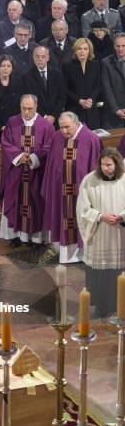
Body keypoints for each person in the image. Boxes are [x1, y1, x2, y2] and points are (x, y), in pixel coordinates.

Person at [41, 111, 102, 263]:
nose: (64, 131)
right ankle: (64, 254)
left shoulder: (91, 139)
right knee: (62, 219)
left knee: (80, 219)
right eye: (61, 127)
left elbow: (95, 170)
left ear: (76, 123)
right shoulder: (57, 137)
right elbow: (51, 165)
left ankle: (82, 254)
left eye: (67, 127)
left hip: (80, 193)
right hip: (60, 192)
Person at [0, 94, 55, 247]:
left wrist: (32, 158)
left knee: (35, 204)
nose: (26, 112)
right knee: (16, 202)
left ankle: (36, 238)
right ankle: (15, 236)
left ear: (36, 107)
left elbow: (50, 147)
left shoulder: (46, 125)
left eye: (30, 109)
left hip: (36, 174)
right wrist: (18, 156)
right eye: (23, 108)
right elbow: (5, 143)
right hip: (16, 173)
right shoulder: (12, 122)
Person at [77, 148, 125, 317]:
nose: (105, 168)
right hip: (99, 234)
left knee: (117, 274)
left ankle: (119, 306)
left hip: (119, 234)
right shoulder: (89, 180)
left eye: (109, 165)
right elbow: (82, 208)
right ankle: (101, 307)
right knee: (99, 275)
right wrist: (100, 216)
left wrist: (121, 216)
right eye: (103, 165)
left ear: (117, 164)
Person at [61, 37, 101, 130]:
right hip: (74, 109)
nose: (82, 51)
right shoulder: (67, 66)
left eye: (85, 49)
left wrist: (91, 99)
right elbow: (64, 89)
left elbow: (98, 86)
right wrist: (79, 101)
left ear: (89, 51)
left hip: (91, 109)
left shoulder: (95, 64)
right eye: (79, 49)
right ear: (75, 51)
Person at [100, 33, 125, 129]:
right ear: (114, 46)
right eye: (118, 46)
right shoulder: (106, 62)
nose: (120, 49)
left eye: (123, 46)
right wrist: (116, 110)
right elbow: (107, 89)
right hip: (113, 113)